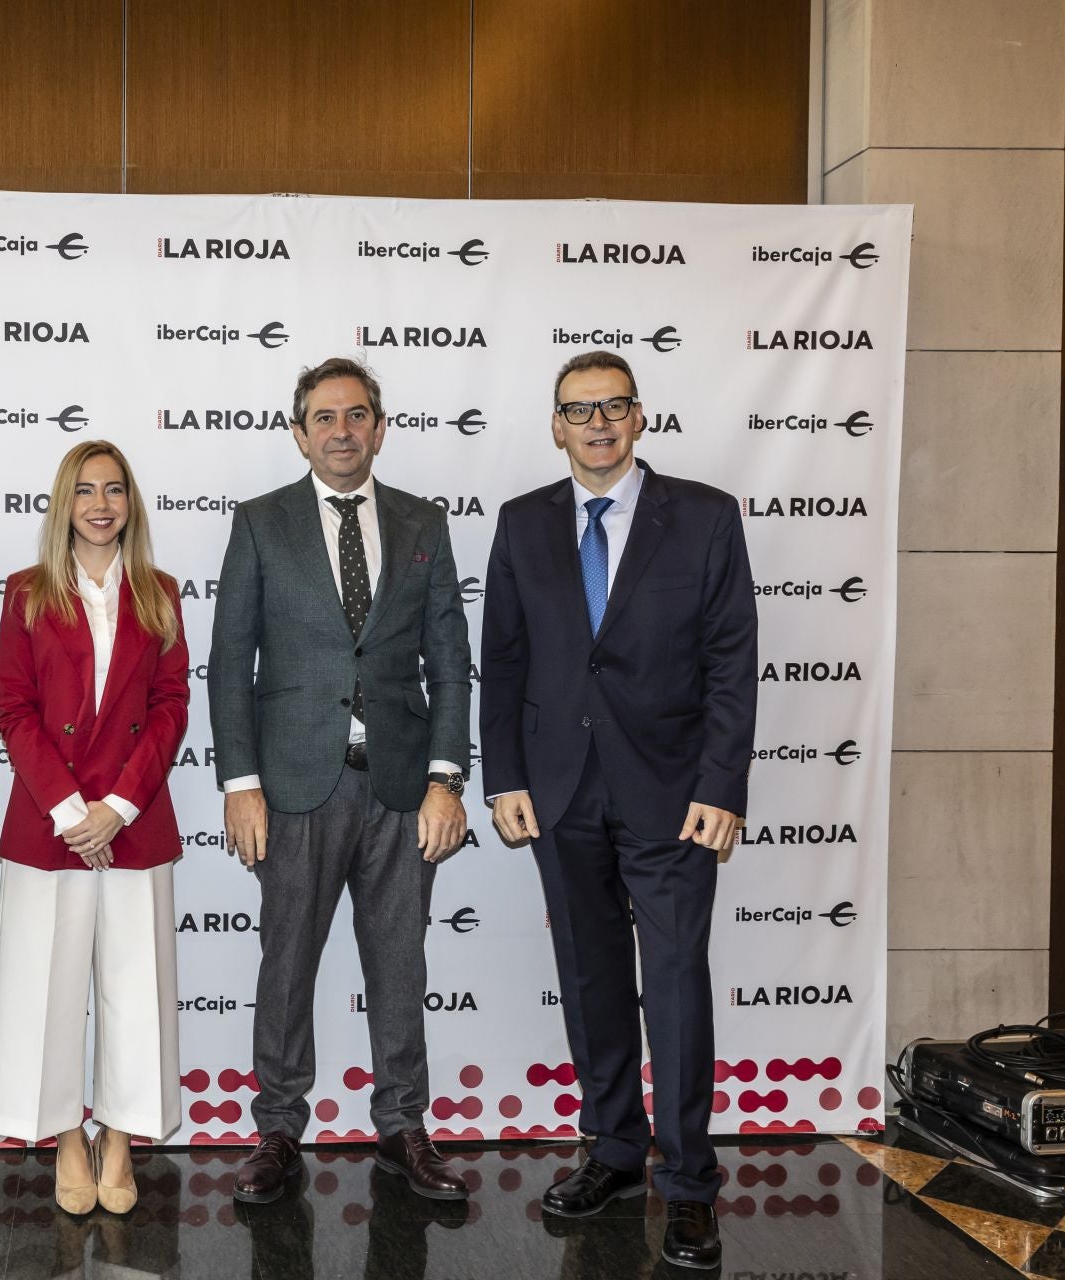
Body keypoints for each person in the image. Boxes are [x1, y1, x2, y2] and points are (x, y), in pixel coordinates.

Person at [479, 350, 757, 1271]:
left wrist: (721, 786)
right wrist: (504, 778)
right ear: (555, 426)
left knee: (674, 984)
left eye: (613, 406)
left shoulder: (707, 518)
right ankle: (613, 1151)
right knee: (593, 979)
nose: (596, 423)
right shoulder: (522, 525)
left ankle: (687, 1185)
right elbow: (506, 662)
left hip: (673, 796)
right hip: (560, 793)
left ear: (640, 418)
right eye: (577, 410)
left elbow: (731, 661)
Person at [207, 357, 472, 1205]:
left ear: (380, 428)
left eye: (357, 415)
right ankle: (279, 1129)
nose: (342, 431)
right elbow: (227, 665)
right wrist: (239, 782)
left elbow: (451, 665)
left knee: (400, 963)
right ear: (300, 432)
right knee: (287, 962)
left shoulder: (423, 522)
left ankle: (402, 1128)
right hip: (291, 785)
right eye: (324, 418)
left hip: (400, 787)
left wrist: (446, 780)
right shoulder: (260, 522)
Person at [0, 440, 190, 1216]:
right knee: (47, 989)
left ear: (130, 503)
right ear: (64, 504)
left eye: (114, 491)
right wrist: (74, 813)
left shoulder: (160, 592)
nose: (101, 505)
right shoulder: (26, 592)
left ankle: (122, 1138)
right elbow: (14, 710)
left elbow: (171, 709)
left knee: (138, 990)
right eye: (85, 492)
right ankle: (67, 1136)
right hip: (51, 824)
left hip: (133, 821)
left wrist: (119, 808)